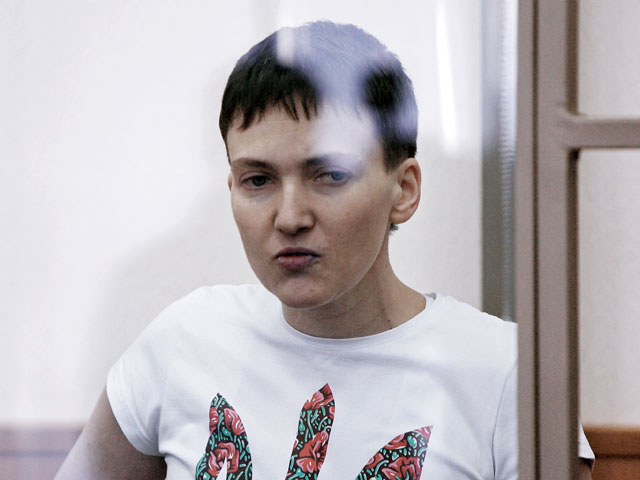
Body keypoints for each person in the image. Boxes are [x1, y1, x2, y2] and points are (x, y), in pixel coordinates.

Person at [56, 21, 594, 479]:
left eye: (331, 174)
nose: (290, 217)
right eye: (258, 180)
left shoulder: (506, 372)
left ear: (403, 190)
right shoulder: (186, 339)